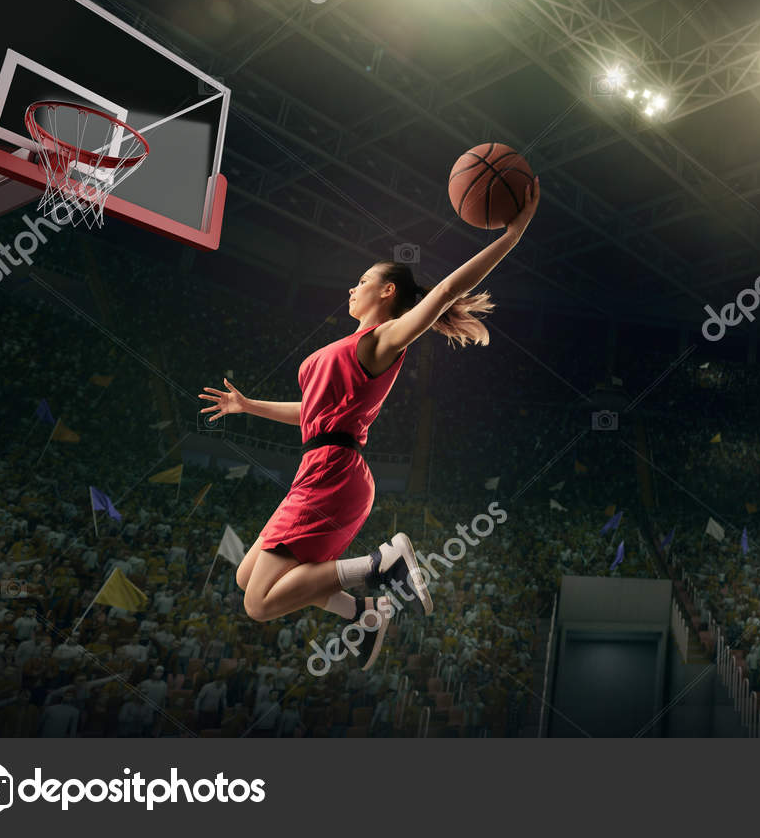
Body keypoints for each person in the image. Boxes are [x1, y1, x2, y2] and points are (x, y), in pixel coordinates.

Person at [202, 181, 541, 672]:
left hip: (334, 474)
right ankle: (361, 610)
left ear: (386, 291)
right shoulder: (342, 350)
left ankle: (383, 564)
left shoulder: (381, 341)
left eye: (362, 279)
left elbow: (445, 291)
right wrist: (247, 405)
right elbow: (312, 412)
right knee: (246, 577)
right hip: (322, 466)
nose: (351, 287)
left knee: (258, 604)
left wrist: (512, 235)